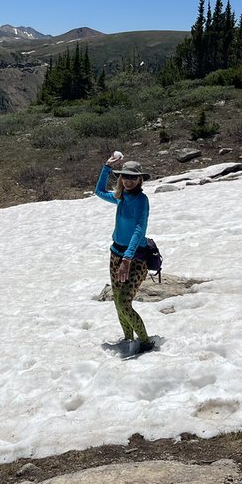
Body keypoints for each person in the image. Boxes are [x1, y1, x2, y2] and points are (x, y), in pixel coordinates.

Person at [94, 152, 153, 355]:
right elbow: (99, 191)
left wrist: (127, 258)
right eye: (125, 177)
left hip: (135, 258)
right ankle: (128, 338)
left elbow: (139, 229)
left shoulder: (141, 201)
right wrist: (107, 167)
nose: (128, 181)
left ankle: (145, 342)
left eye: (133, 177)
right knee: (117, 301)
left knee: (123, 301)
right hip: (115, 254)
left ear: (140, 179)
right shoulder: (121, 197)